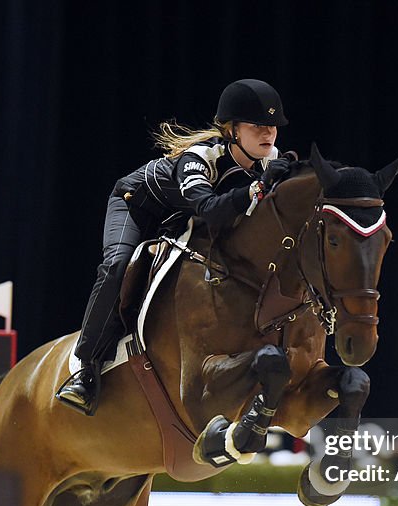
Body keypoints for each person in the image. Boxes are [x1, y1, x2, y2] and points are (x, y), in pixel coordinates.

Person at [56, 79, 292, 415]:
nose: (268, 134)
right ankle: (85, 366)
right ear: (232, 130)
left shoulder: (269, 161)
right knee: (118, 265)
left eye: (272, 126)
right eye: (257, 126)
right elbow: (209, 209)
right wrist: (256, 190)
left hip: (180, 220)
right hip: (136, 207)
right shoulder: (200, 157)